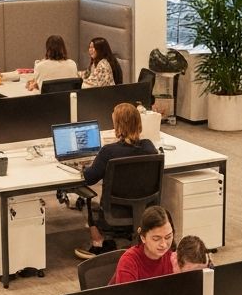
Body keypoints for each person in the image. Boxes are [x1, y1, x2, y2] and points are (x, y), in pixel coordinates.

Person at [74, 102, 157, 259]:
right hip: (144, 209)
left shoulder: (108, 151)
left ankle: (98, 244)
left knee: (86, 198)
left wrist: (83, 167)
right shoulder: (149, 147)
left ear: (117, 125)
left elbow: (90, 178)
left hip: (114, 213)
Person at [110, 205, 176, 284]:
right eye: (156, 238)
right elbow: (127, 292)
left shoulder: (174, 259)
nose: (164, 244)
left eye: (168, 237)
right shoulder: (129, 261)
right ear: (143, 237)